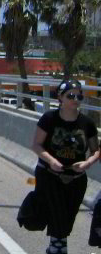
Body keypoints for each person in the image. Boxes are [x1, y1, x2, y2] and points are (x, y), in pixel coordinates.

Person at [29, 79, 99, 254]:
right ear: (60, 97)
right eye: (71, 95)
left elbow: (96, 151)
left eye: (79, 95)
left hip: (76, 178)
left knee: (68, 215)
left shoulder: (87, 123)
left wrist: (87, 163)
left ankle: (57, 243)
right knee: (57, 212)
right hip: (50, 174)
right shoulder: (49, 119)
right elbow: (37, 145)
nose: (76, 98)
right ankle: (58, 247)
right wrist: (51, 160)